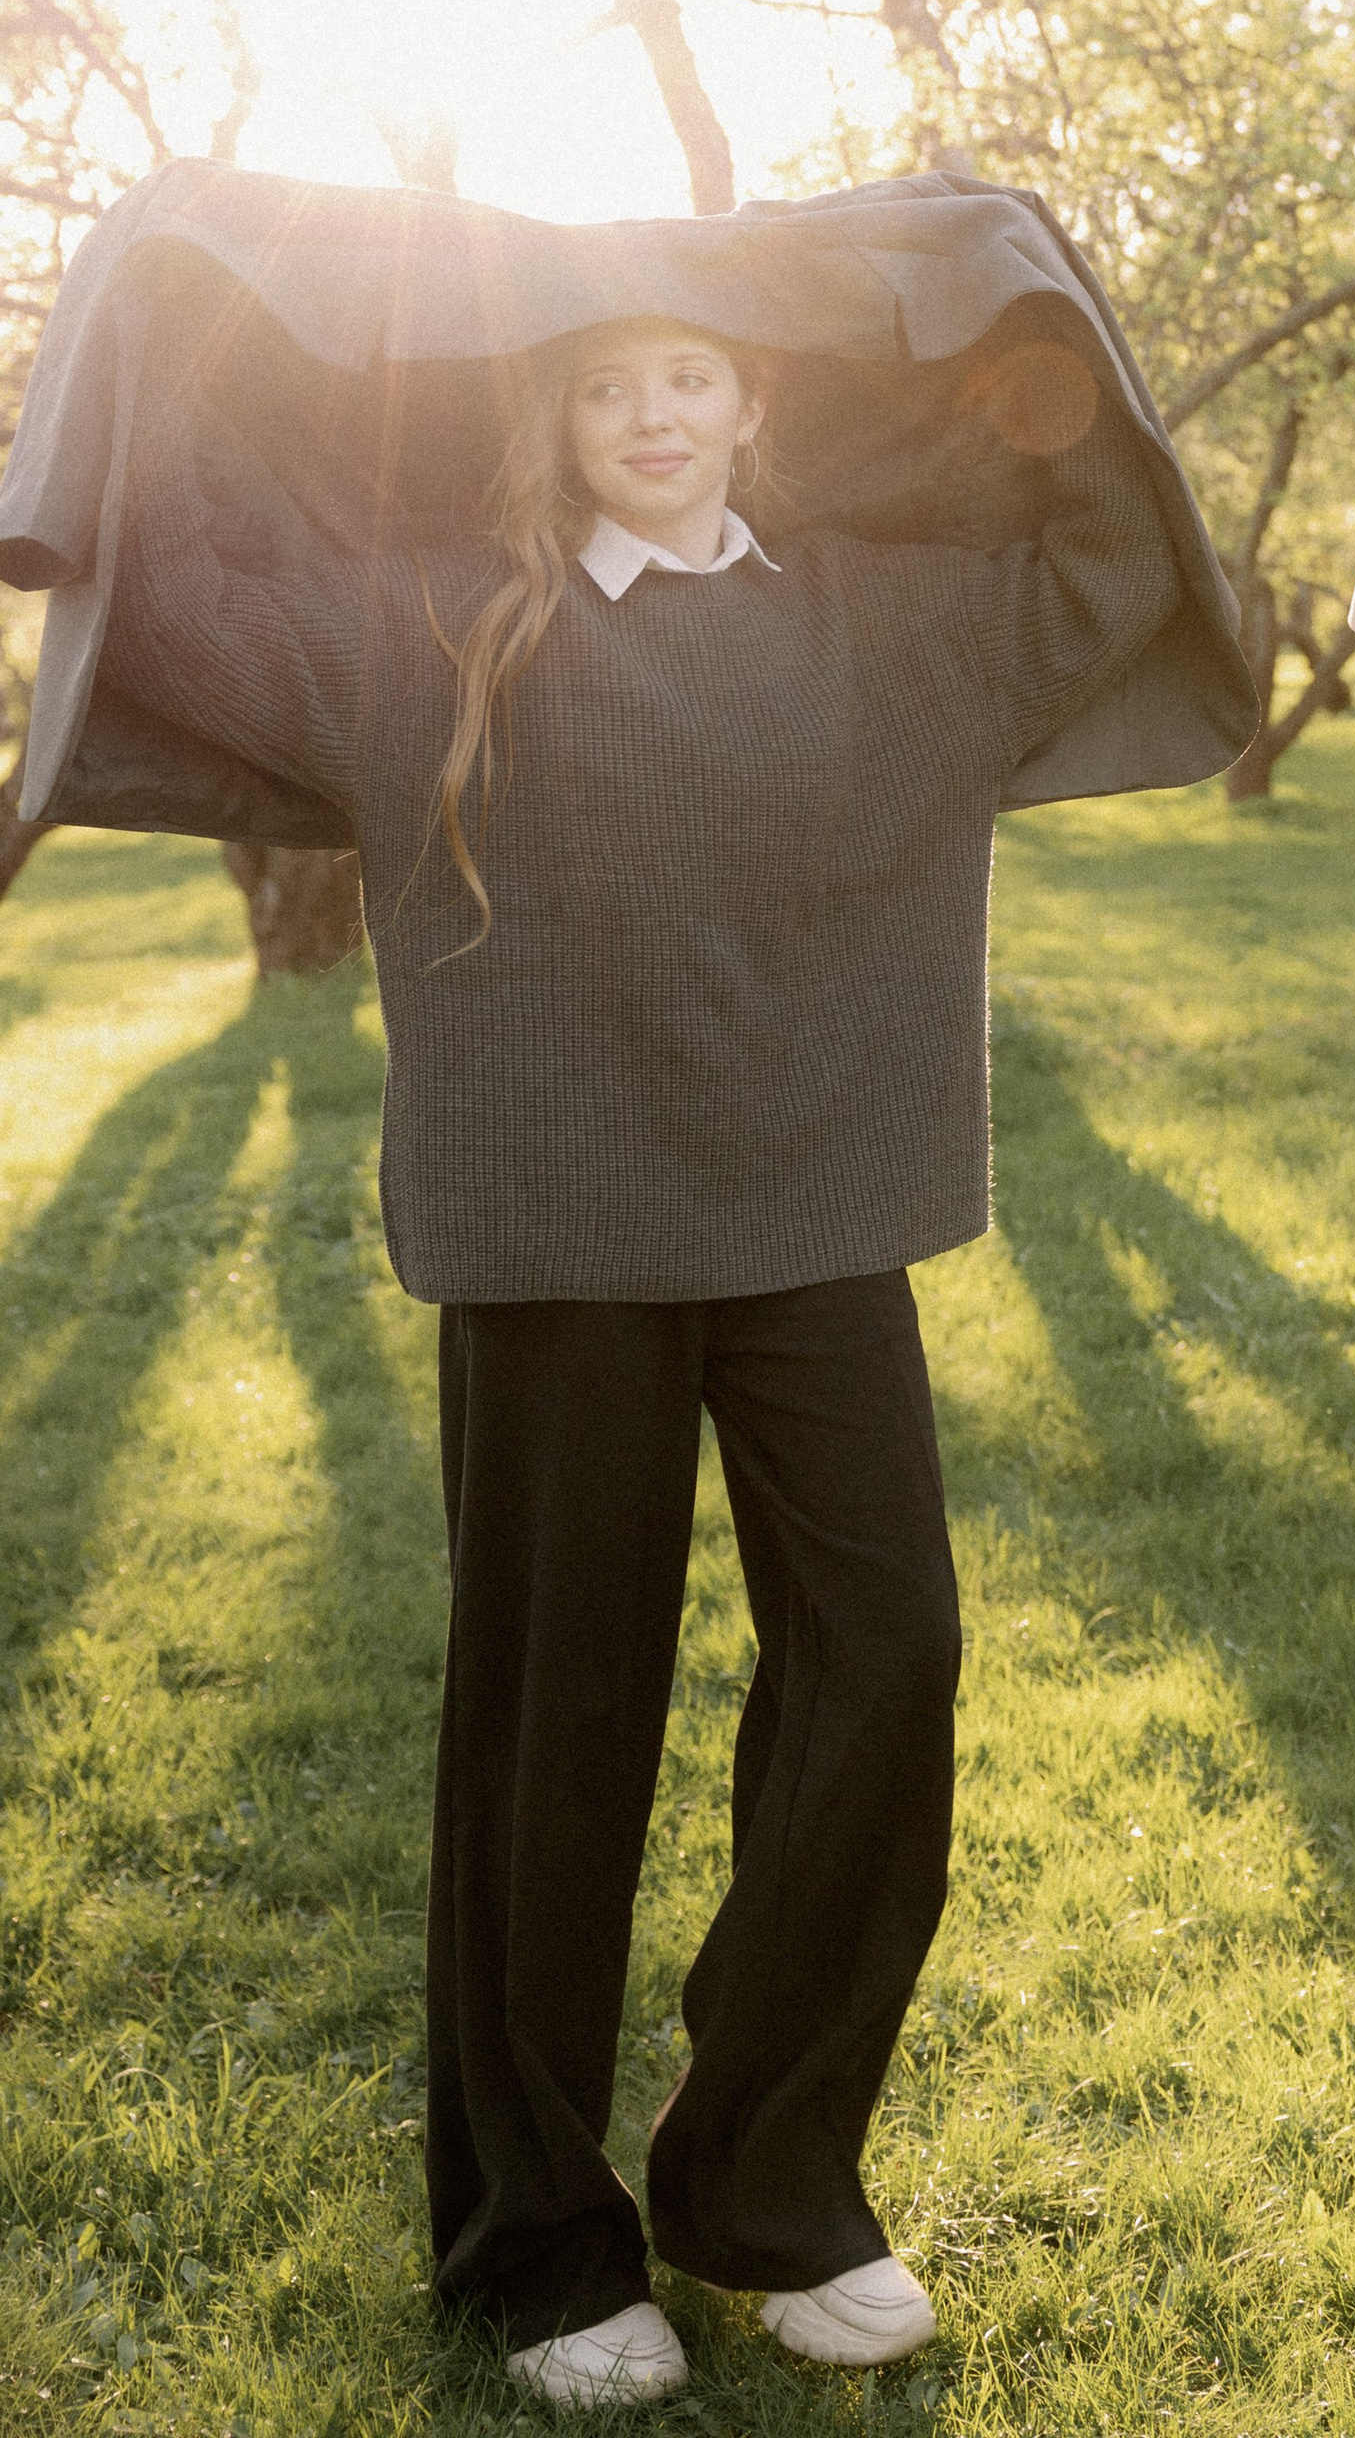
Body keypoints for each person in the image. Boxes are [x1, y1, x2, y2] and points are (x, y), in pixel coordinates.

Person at [101, 298, 1200, 2408]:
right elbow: (198, 585)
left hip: (815, 1220)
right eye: (605, 382)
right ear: (555, 413)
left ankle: (766, 2184)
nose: (650, 415)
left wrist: (1003, 314)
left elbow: (1107, 563)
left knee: (890, 1653)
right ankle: (534, 2246)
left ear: (754, 395)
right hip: (559, 1237)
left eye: (690, 371)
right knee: (559, 1722)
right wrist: (219, 322)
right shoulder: (442, 623)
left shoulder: (880, 615)